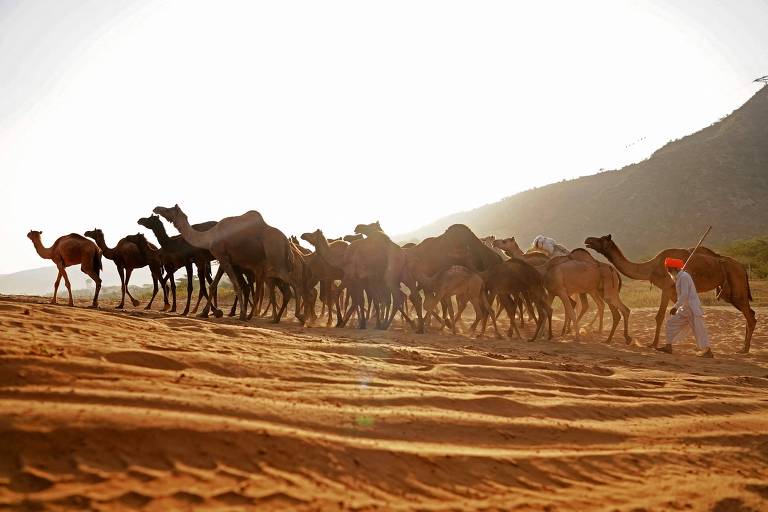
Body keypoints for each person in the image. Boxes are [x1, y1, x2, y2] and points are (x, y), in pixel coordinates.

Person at [656, 257, 714, 358]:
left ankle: (707, 351)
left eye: (668, 269)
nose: (668, 271)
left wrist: (675, 307)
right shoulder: (679, 277)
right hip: (684, 309)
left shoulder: (684, 277)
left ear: (674, 269)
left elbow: (685, 295)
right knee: (671, 323)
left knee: (699, 330)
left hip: (692, 308)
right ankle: (668, 346)